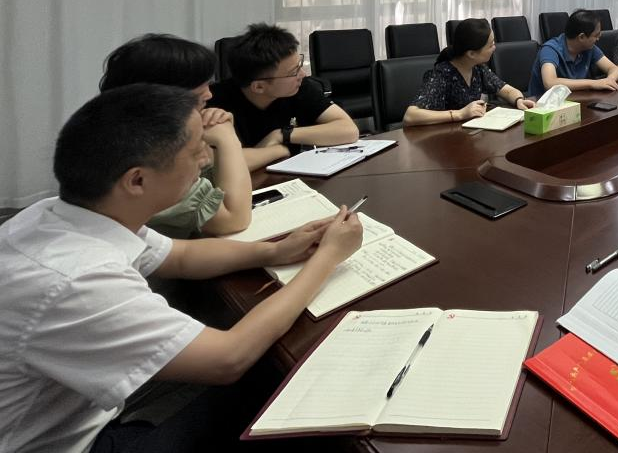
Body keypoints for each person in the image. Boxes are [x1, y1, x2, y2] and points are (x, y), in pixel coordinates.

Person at [0, 84, 364, 453]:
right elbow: (228, 358)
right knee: (277, 378)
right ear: (137, 180)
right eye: (195, 150)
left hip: (81, 410)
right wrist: (327, 259)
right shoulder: (77, 279)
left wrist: (274, 251)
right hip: (75, 444)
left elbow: (180, 256)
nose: (206, 159)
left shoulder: (61, 214)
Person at [99, 34, 251, 237]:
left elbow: (212, 166)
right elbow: (233, 220)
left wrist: (276, 145)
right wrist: (228, 140)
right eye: (199, 87)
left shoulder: (127, 127)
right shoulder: (152, 153)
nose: (209, 94)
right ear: (159, 96)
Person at [207, 23, 358, 170]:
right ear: (259, 87)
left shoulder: (298, 87)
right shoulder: (213, 102)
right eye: (293, 72)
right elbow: (222, 164)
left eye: (299, 65)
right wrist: (279, 150)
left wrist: (282, 135)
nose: (302, 74)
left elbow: (349, 130)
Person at [403, 18, 534, 125]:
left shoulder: (477, 68)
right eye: (490, 45)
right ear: (471, 53)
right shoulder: (442, 74)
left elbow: (506, 90)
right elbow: (410, 116)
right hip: (442, 140)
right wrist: (460, 114)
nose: (494, 48)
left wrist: (518, 100)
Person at [527, 9, 618, 98]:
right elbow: (550, 82)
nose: (599, 37)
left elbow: (614, 68)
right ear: (581, 37)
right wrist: (593, 83)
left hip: (575, 100)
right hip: (544, 104)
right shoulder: (550, 49)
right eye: (596, 35)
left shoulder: (589, 48)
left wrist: (609, 80)